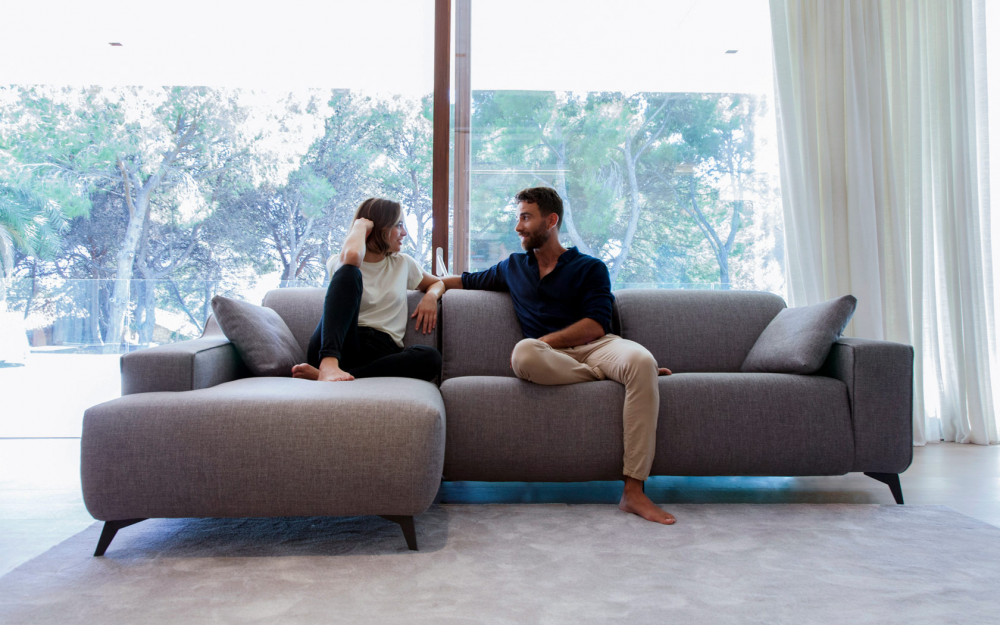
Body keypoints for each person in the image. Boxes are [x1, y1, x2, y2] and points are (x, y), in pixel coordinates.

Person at [442, 187, 675, 525]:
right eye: (518, 218)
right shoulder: (512, 266)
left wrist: (548, 342)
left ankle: (633, 491)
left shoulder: (590, 267)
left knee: (640, 360)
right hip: (549, 359)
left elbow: (596, 324)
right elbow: (462, 281)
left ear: (550, 221)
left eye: (526, 218)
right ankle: (618, 376)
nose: (518, 227)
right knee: (524, 353)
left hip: (597, 347)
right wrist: (432, 290)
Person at [292, 197, 443, 383]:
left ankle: (335, 375)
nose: (404, 232)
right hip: (340, 345)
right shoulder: (340, 261)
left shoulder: (403, 263)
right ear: (380, 227)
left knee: (430, 357)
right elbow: (352, 257)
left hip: (381, 352)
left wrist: (431, 296)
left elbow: (438, 283)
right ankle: (328, 365)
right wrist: (360, 226)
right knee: (349, 272)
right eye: (398, 225)